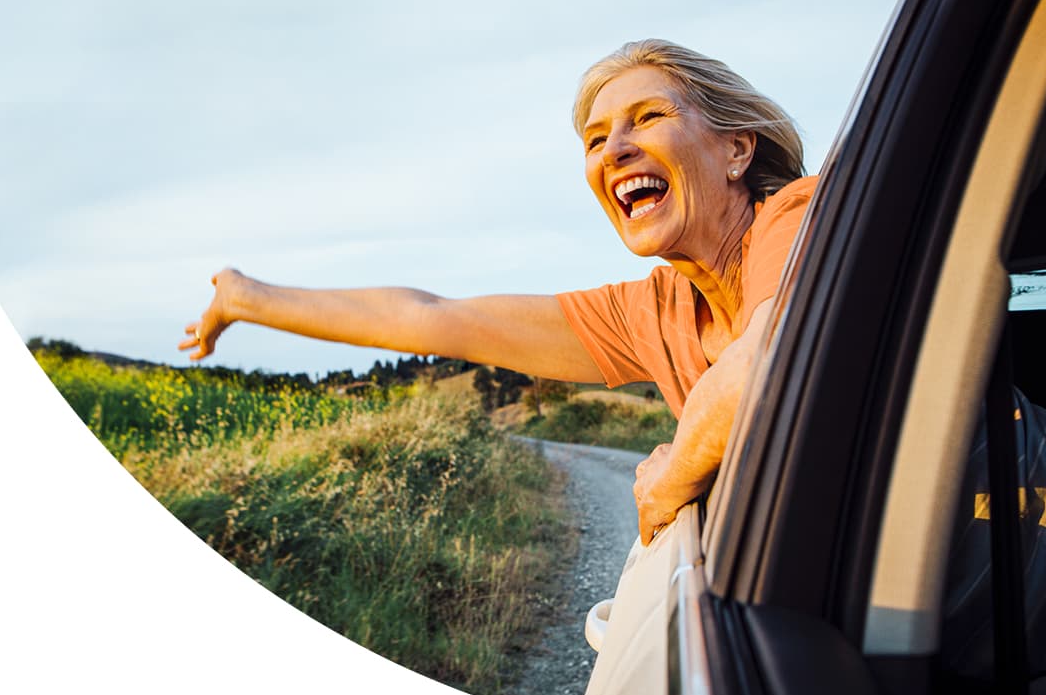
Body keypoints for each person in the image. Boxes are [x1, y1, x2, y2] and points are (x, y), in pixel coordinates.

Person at [181, 39, 813, 545]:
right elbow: (434, 320)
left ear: (736, 148)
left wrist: (670, 476)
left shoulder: (797, 214)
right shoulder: (652, 311)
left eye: (647, 118)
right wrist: (249, 298)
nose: (615, 150)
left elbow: (766, 363)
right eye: (595, 140)